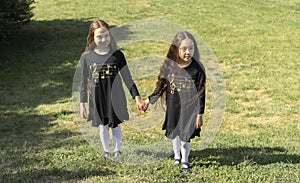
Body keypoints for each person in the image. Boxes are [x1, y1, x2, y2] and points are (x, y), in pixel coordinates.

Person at [79, 19, 145, 158]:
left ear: (110, 36)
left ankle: (117, 150)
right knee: (102, 125)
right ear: (92, 37)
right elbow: (83, 82)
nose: (103, 39)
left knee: (115, 124)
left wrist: (137, 97)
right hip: (98, 98)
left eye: (106, 35)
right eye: (99, 36)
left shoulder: (118, 55)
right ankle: (106, 151)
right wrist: (82, 104)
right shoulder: (87, 57)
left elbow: (128, 78)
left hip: (115, 96)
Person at [143, 31, 206, 172]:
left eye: (191, 48)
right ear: (175, 48)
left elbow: (201, 94)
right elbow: (161, 87)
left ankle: (185, 161)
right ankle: (177, 156)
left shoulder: (198, 69)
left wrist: (199, 114)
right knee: (175, 134)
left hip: (189, 110)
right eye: (184, 49)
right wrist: (148, 100)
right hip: (173, 108)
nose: (188, 52)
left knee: (185, 137)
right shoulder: (170, 67)